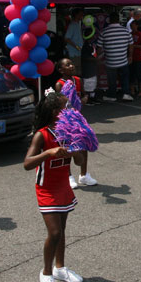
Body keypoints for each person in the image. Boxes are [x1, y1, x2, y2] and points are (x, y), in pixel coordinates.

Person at [24, 93, 83, 282]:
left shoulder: (68, 132)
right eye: (64, 108)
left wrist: (77, 147)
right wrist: (48, 153)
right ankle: (46, 274)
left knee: (63, 230)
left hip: (63, 187)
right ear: (54, 112)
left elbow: (78, 162)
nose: (69, 111)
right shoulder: (42, 135)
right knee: (55, 232)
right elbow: (27, 163)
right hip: (46, 189)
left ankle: (60, 268)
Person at [54, 58, 96, 188]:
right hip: (65, 121)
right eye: (68, 65)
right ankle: (68, 176)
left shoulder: (77, 80)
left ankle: (84, 175)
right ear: (61, 70)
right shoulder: (59, 84)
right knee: (68, 148)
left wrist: (83, 99)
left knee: (83, 145)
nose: (72, 66)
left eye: (72, 64)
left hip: (78, 119)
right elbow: (58, 104)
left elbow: (84, 95)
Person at [97, 12, 133, 102]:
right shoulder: (125, 30)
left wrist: (97, 57)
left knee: (111, 79)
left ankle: (112, 95)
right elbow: (131, 44)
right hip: (123, 60)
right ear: (118, 20)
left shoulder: (104, 31)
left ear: (109, 20)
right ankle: (126, 93)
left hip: (110, 61)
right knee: (124, 77)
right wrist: (130, 56)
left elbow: (99, 47)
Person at [129, 21, 141, 98]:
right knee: (132, 75)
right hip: (131, 58)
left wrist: (135, 46)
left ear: (136, 26)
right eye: (131, 26)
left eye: (133, 26)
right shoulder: (130, 34)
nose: (132, 27)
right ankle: (132, 90)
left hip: (139, 57)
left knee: (140, 75)